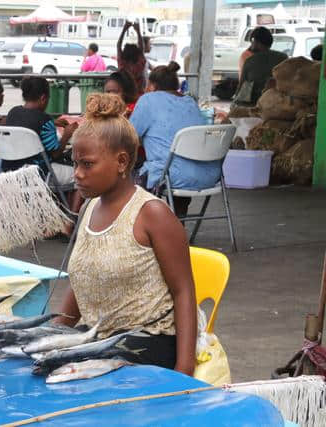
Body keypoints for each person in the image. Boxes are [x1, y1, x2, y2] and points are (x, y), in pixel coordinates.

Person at [58, 92, 197, 376]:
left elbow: (184, 292)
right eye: (74, 163)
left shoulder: (151, 214)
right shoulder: (90, 207)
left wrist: (184, 370)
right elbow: (85, 278)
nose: (77, 174)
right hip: (98, 339)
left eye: (87, 164)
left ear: (121, 162)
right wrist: (52, 334)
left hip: (145, 343)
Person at [130, 62, 214, 217]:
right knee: (175, 160)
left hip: (172, 175)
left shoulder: (148, 100)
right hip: (207, 174)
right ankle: (178, 217)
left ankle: (142, 223)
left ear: (153, 86)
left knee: (125, 168)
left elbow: (129, 137)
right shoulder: (190, 102)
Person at [4, 76, 81, 213]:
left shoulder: (13, 112)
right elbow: (55, 154)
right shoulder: (44, 120)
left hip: (10, 170)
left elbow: (30, 122)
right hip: (38, 174)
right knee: (79, 176)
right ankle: (72, 218)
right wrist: (67, 135)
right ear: (43, 98)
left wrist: (52, 123)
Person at [233, 27, 288, 106]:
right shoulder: (283, 57)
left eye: (252, 41)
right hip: (279, 104)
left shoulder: (251, 61)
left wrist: (234, 105)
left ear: (256, 41)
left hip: (256, 105)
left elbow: (243, 88)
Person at [117, 21, 147, 93]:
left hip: (125, 93)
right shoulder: (139, 64)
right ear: (137, 52)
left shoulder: (122, 63)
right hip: (138, 94)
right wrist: (138, 31)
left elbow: (118, 45)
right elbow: (142, 47)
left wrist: (124, 29)